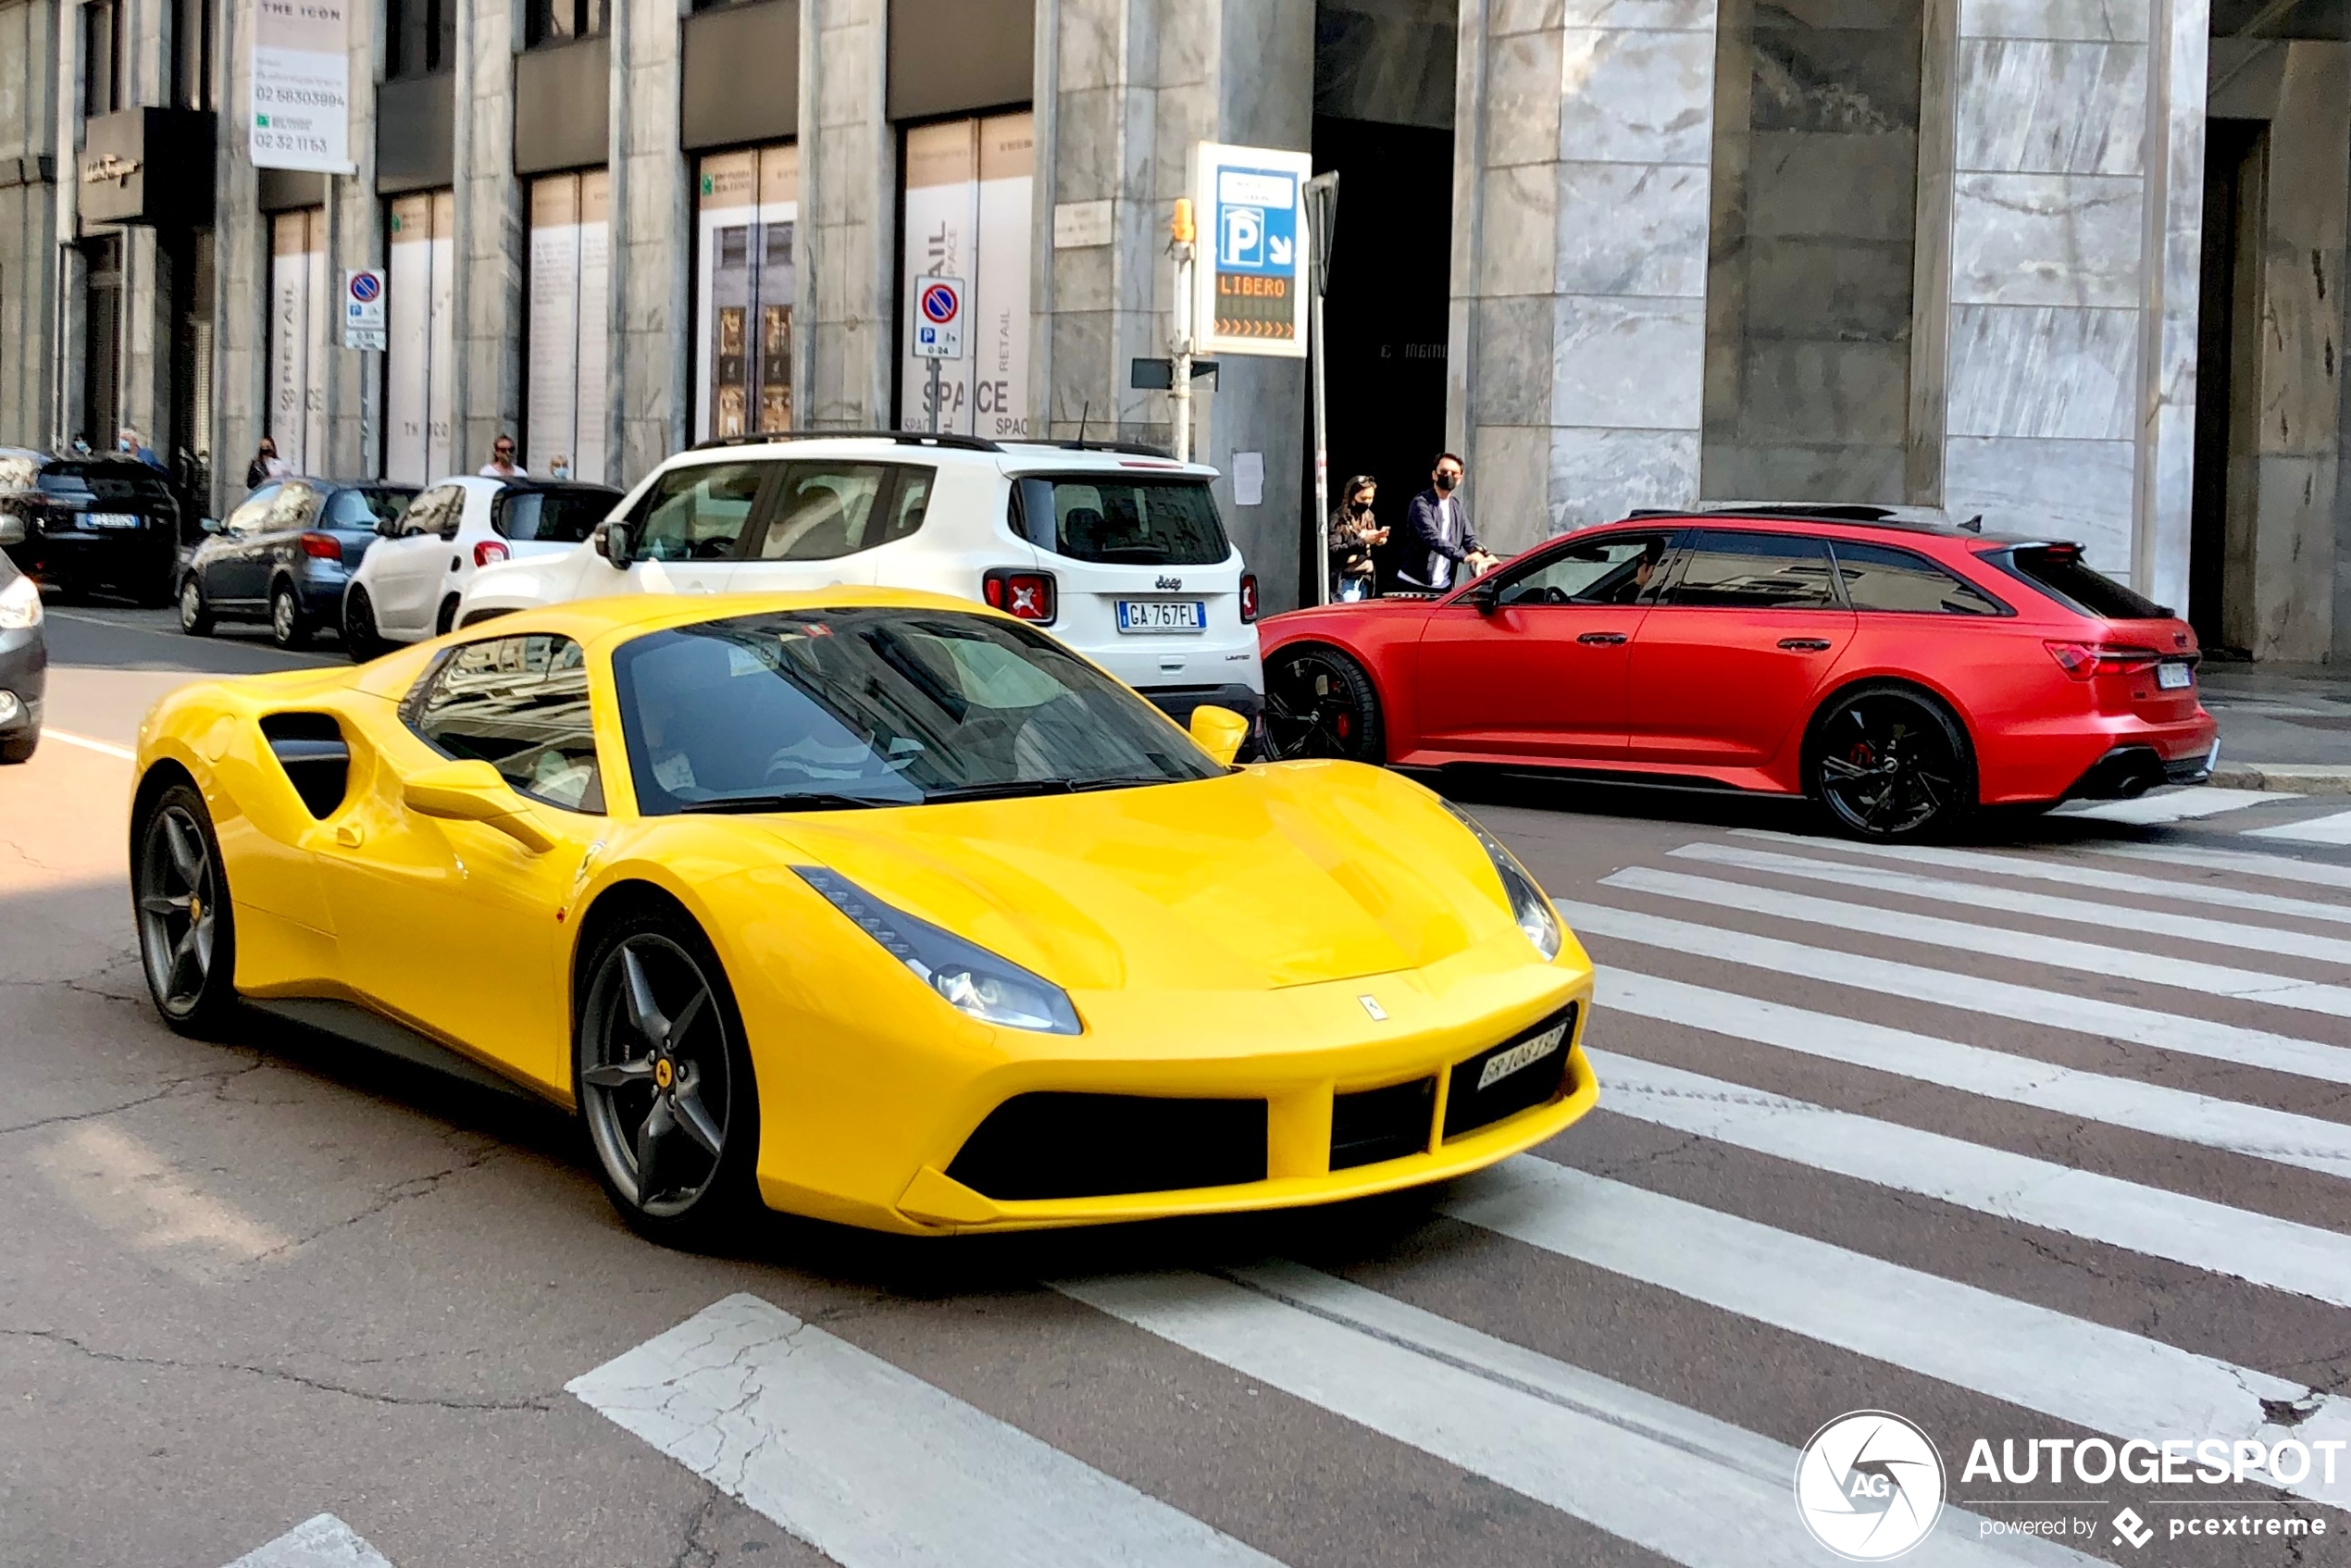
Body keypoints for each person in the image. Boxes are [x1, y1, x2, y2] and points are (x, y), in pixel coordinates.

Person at [1403, 453, 1499, 591]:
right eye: (1444, 471)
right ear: (1434, 475)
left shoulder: (1456, 506)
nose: (1448, 475)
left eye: (1454, 473)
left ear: (1459, 479)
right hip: (1414, 583)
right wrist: (1465, 557)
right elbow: (1432, 538)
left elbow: (1469, 538)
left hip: (1444, 586)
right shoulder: (1421, 503)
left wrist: (1487, 555)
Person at [1328, 475, 1386, 603]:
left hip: (1366, 579)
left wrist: (1378, 539)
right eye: (1363, 498)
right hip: (1346, 581)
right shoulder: (1339, 518)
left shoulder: (1369, 516)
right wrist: (1362, 541)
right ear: (1352, 497)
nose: (1368, 502)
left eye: (1371, 498)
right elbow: (1333, 550)